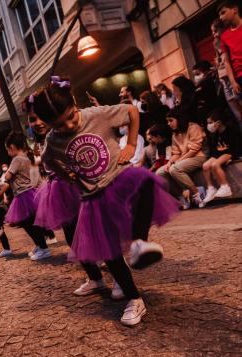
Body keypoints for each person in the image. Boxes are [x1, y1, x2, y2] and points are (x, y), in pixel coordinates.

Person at [32, 77, 179, 326]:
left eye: (71, 116)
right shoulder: (53, 142)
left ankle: (139, 243)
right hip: (92, 196)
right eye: (60, 123)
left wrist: (132, 143)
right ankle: (134, 298)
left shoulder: (96, 115)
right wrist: (68, 175)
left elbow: (131, 111)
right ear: (48, 124)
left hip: (118, 177)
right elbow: (47, 160)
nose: (68, 125)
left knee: (145, 183)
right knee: (109, 252)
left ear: (75, 103)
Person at [24, 95, 81, 249]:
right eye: (33, 119)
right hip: (58, 189)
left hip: (77, 184)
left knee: (90, 221)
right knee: (71, 232)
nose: (38, 123)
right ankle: (89, 262)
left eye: (42, 117)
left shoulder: (68, 130)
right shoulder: (41, 140)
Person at [4, 132, 50, 260]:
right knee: (31, 222)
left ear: (12, 147)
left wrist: (6, 174)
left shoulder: (16, 159)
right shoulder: (26, 157)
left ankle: (43, 248)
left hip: (23, 195)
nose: (8, 152)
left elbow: (8, 176)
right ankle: (40, 245)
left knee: (28, 223)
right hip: (30, 193)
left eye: (8, 149)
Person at [157, 108, 207, 208]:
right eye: (167, 121)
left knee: (175, 169)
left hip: (198, 157)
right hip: (184, 159)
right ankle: (182, 197)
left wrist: (178, 161)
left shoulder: (193, 127)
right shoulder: (175, 134)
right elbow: (176, 153)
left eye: (171, 120)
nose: (168, 123)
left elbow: (195, 150)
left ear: (179, 119)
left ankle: (197, 194)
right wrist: (169, 162)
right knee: (160, 173)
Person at [200, 109, 241, 207]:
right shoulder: (215, 133)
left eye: (210, 122)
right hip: (219, 153)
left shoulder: (231, 129)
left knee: (215, 165)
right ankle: (211, 188)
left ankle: (225, 186)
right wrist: (212, 157)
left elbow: (238, 145)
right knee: (205, 166)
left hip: (230, 152)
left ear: (218, 122)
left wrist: (233, 157)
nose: (208, 125)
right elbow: (214, 149)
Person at [212, 18, 242, 130]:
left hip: (232, 78)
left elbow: (230, 61)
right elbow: (220, 60)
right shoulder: (216, 43)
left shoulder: (229, 38)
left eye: (215, 31)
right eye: (212, 32)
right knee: (237, 114)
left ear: (222, 29)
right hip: (224, 79)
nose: (214, 34)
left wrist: (233, 80)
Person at [218, 0, 242, 104]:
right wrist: (232, 81)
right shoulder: (224, 36)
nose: (221, 17)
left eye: (223, 12)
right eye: (219, 15)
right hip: (239, 77)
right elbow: (226, 61)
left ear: (235, 10)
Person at [192, 60, 221, 124]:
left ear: (207, 72)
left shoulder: (211, 83)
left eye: (197, 74)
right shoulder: (199, 86)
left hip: (215, 114)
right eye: (194, 75)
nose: (195, 77)